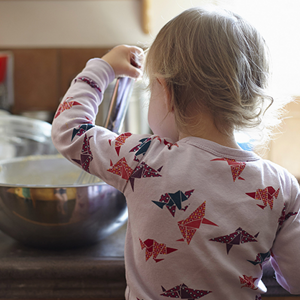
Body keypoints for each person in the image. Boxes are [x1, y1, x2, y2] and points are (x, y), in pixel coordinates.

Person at [51, 6, 300, 300]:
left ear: (166, 92)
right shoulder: (280, 186)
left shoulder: (142, 159)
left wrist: (103, 68)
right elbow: (295, 279)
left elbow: (70, 130)